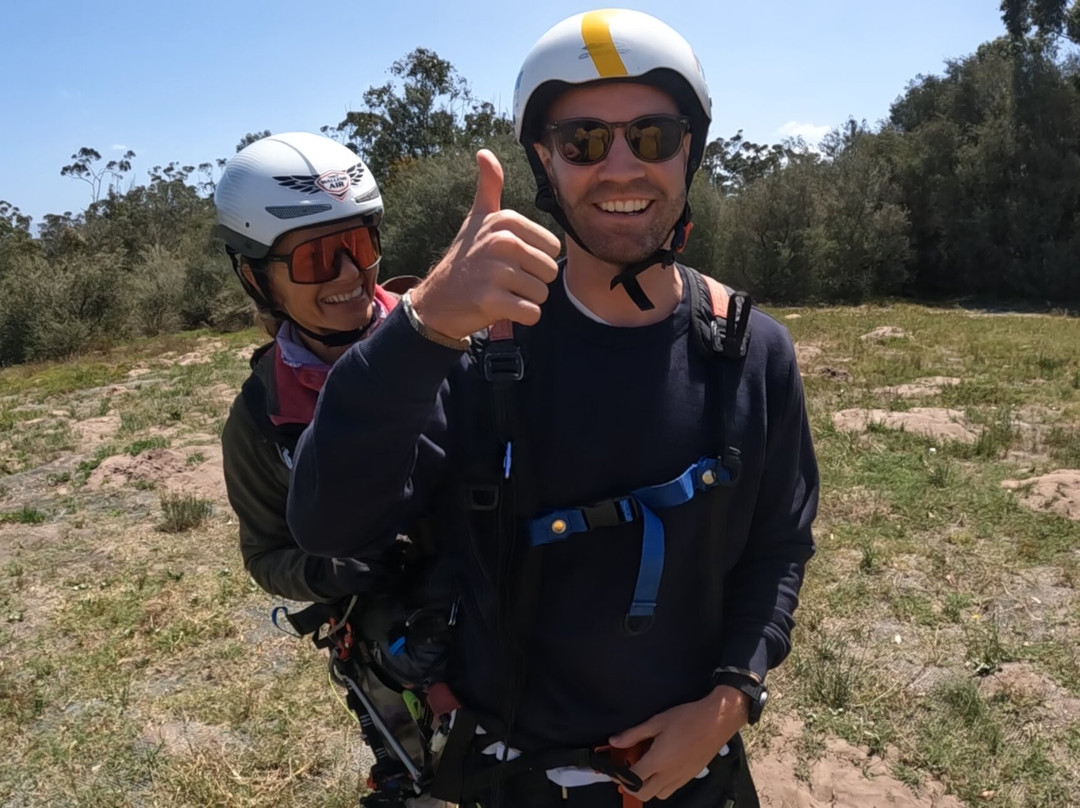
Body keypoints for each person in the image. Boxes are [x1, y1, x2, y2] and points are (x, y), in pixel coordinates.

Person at [287, 10, 819, 808]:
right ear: (543, 159)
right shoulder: (472, 354)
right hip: (514, 773)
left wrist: (733, 696)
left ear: (690, 150)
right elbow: (329, 526)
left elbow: (779, 545)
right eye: (581, 143)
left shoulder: (751, 353)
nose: (619, 168)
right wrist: (421, 327)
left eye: (651, 136)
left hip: (697, 769)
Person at [215, 131, 446, 807]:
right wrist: (329, 572)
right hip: (388, 644)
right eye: (317, 258)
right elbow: (265, 551)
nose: (351, 275)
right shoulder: (262, 419)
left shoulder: (457, 339)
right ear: (257, 276)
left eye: (362, 245)